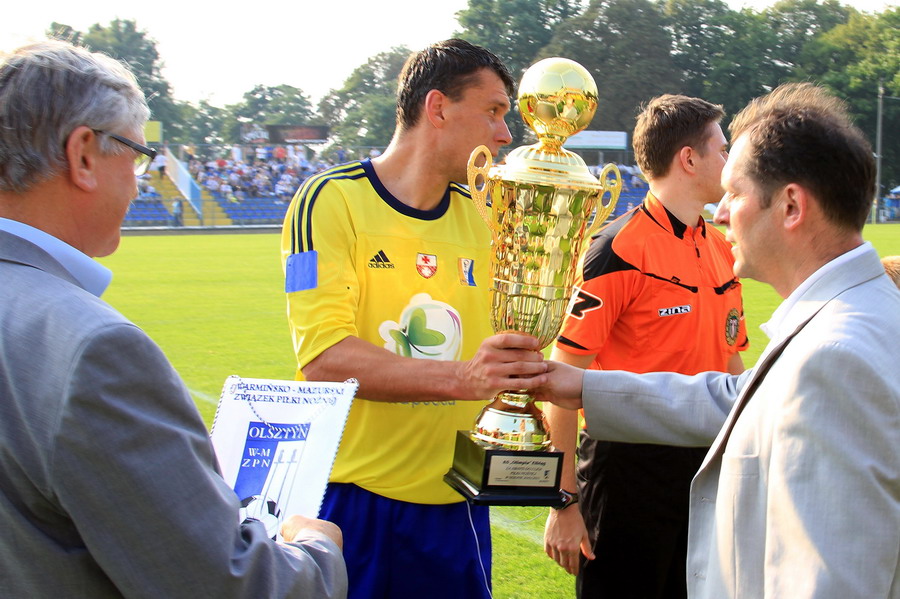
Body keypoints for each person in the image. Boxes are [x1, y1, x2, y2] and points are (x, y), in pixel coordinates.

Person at [0, 41, 346, 598]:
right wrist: (316, 548)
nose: (139, 182)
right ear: (83, 154)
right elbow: (228, 585)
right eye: (135, 156)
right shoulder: (95, 349)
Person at [534, 82, 900, 598]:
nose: (723, 212)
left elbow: (830, 576)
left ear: (791, 205)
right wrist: (571, 420)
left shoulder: (833, 354)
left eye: (738, 191)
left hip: (701, 460)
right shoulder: (865, 313)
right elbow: (738, 394)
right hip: (626, 471)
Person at [279, 39, 547, 599]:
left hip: (457, 505)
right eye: (494, 111)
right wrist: (465, 378)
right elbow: (324, 361)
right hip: (350, 503)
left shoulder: (491, 216)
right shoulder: (327, 202)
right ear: (438, 108)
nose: (506, 134)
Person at [543, 95, 748, 598]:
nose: (730, 161)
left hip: (705, 466)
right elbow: (561, 378)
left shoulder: (722, 246)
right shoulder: (616, 250)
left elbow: (734, 360)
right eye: (722, 149)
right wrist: (563, 501)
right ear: (688, 158)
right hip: (626, 471)